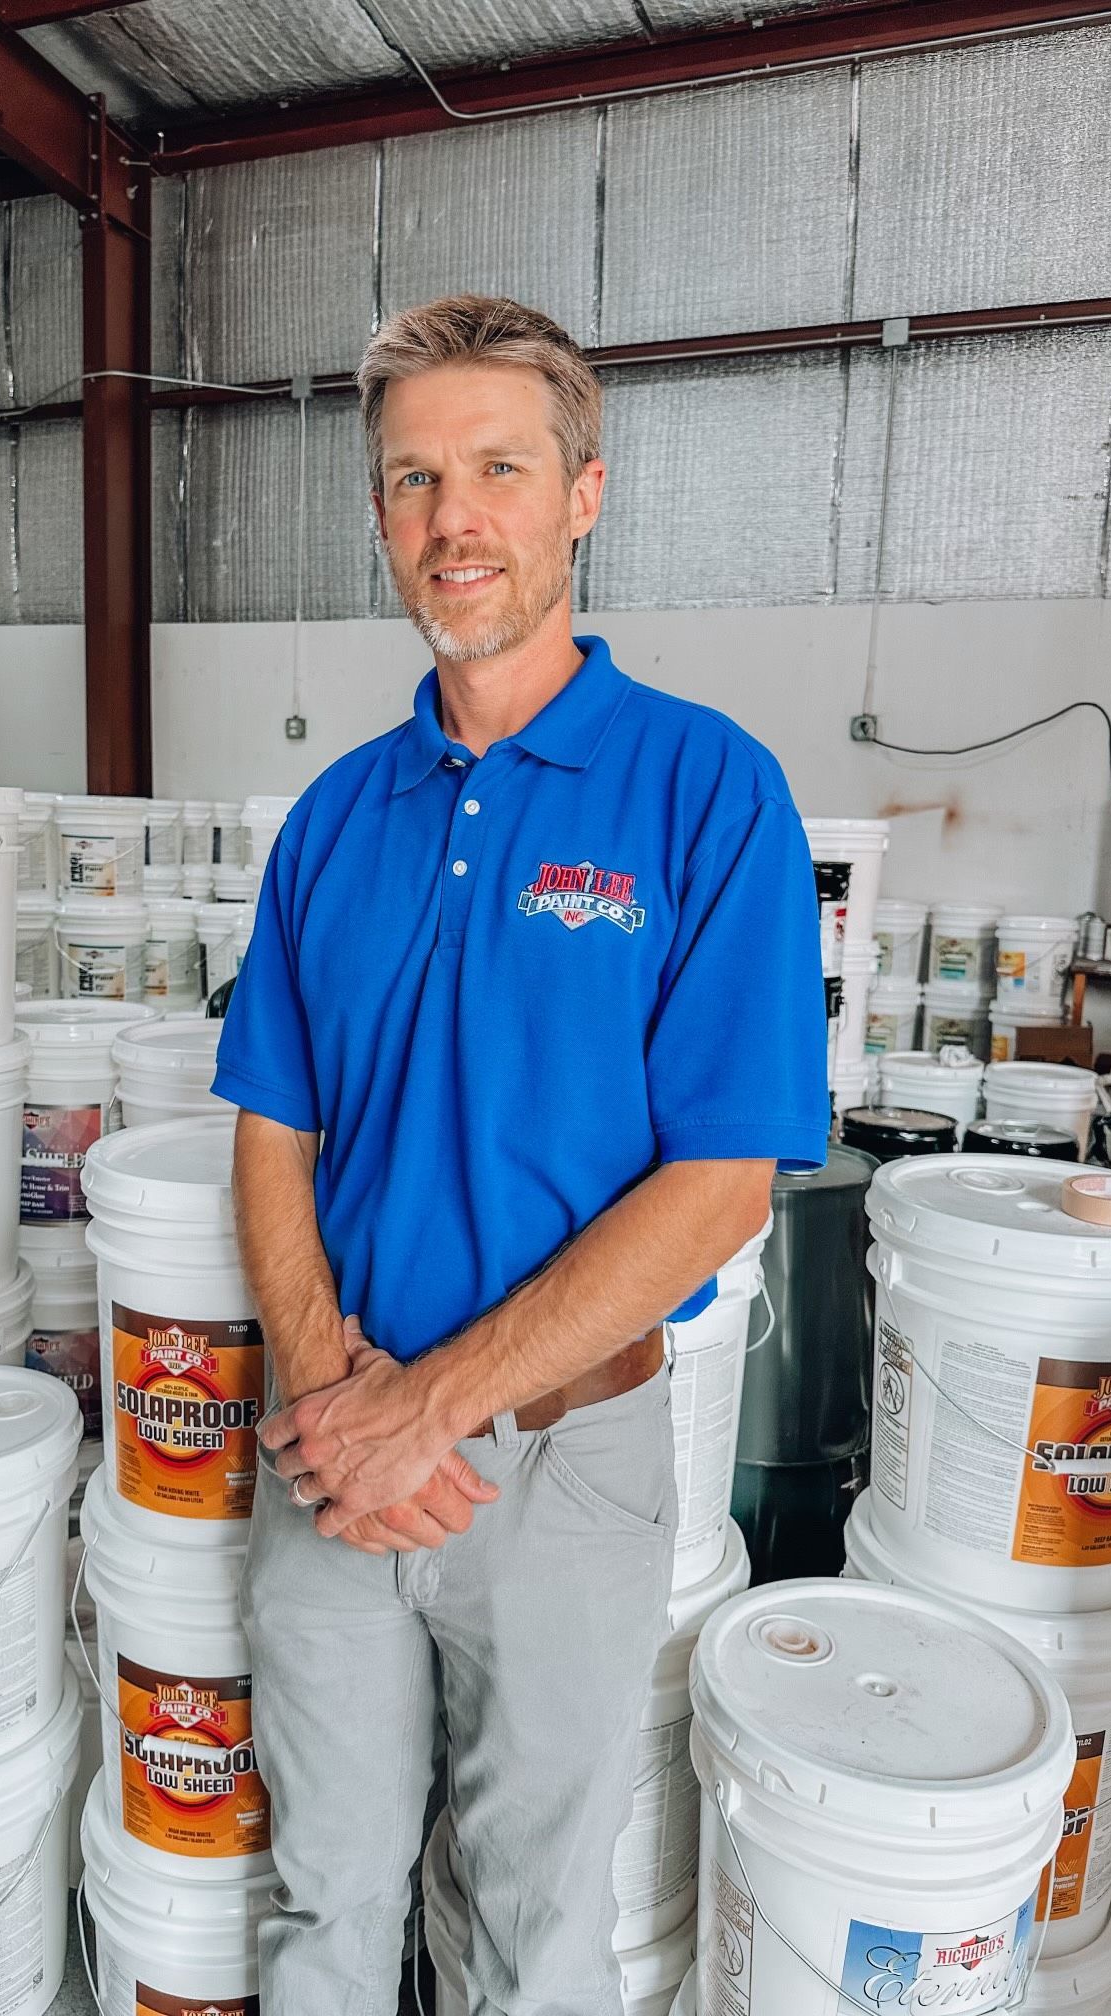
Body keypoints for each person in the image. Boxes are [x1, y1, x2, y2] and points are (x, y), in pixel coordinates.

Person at [212, 293, 829, 2015]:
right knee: (323, 1901)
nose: (453, 518)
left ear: (584, 494)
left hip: (562, 1471)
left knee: (531, 1934)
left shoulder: (709, 793)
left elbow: (721, 1181)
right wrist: (339, 1389)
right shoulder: (336, 816)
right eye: (415, 479)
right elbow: (272, 1128)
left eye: (498, 468)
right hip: (333, 1447)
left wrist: (435, 1406)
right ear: (380, 514)